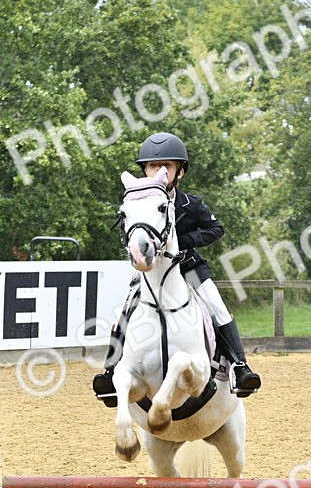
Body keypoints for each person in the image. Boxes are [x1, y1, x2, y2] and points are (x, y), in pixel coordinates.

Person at [93, 131, 261, 406]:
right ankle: (110, 371)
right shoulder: (140, 201)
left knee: (217, 306)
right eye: (151, 167)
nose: (158, 171)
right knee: (126, 309)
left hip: (188, 267)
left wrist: (186, 241)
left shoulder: (190, 204)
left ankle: (240, 368)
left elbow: (216, 229)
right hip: (151, 271)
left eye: (166, 166)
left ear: (180, 171)